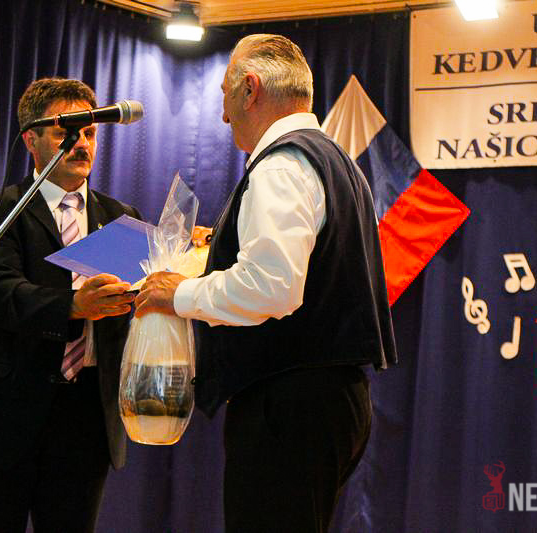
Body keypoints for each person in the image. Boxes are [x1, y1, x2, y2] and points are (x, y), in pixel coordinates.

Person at [135, 34, 398, 532]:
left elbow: (271, 286)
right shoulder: (335, 159)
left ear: (250, 88)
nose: (223, 116)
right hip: (327, 400)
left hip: (289, 405)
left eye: (225, 95)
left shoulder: (281, 165)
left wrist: (179, 294)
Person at [0, 77, 140, 532]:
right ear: (31, 140)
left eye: (90, 133)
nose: (82, 144)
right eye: (66, 132)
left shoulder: (122, 218)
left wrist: (175, 271)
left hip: (87, 419)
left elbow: (131, 306)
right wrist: (73, 306)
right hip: (4, 416)